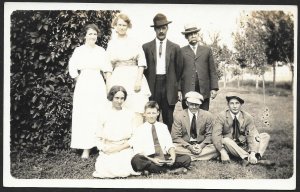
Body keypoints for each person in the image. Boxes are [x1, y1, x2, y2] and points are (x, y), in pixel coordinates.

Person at [68, 24, 112, 159]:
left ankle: (98, 145)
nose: (92, 36)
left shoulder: (101, 51)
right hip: (84, 84)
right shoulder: (79, 51)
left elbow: (107, 69)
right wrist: (79, 80)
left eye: (94, 34)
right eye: (90, 34)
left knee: (98, 113)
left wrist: (108, 86)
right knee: (84, 114)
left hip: (98, 84)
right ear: (85, 36)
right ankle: (85, 148)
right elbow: (72, 68)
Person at [106, 13, 151, 127]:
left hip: (133, 75)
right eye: (119, 25)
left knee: (137, 107)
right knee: (120, 107)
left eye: (124, 25)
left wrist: (138, 80)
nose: (121, 27)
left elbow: (141, 62)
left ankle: (137, 139)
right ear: (115, 26)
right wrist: (109, 84)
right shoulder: (111, 44)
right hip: (119, 76)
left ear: (128, 26)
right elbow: (108, 66)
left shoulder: (134, 42)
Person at [143, 13, 182, 131]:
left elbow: (179, 70)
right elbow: (144, 70)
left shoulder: (175, 48)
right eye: (158, 28)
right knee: (152, 115)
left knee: (168, 118)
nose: (161, 31)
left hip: (169, 85)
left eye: (163, 28)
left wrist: (178, 88)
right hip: (152, 85)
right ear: (154, 29)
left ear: (167, 28)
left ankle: (167, 144)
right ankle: (153, 143)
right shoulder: (146, 47)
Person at [130, 101, 191, 175]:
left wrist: (173, 156)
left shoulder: (163, 127)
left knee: (186, 158)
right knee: (136, 160)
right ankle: (169, 171)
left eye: (153, 113)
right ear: (144, 114)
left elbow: (169, 145)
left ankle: (152, 170)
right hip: (149, 158)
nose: (151, 116)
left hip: (164, 157)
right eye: (149, 113)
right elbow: (138, 152)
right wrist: (153, 160)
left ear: (158, 113)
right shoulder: (139, 129)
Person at [212, 93, 274, 166]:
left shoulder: (247, 117)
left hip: (243, 143)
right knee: (225, 140)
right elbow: (216, 135)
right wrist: (222, 151)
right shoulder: (221, 116)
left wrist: (253, 152)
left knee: (265, 136)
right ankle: (248, 158)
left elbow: (252, 134)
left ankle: (255, 156)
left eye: (237, 103)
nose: (234, 106)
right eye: (232, 103)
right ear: (228, 105)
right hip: (230, 145)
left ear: (241, 104)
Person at [93, 86, 140, 178]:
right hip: (108, 148)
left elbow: (134, 137)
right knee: (105, 169)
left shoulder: (129, 114)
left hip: (124, 148)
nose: (119, 101)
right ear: (111, 97)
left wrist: (119, 148)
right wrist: (104, 148)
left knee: (123, 167)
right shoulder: (103, 113)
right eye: (117, 98)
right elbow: (97, 136)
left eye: (122, 98)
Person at [180, 24, 219, 111]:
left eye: (195, 33)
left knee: (203, 114)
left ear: (198, 35)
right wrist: (178, 90)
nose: (193, 36)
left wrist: (214, 88)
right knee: (187, 114)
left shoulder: (207, 50)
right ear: (186, 37)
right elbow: (178, 72)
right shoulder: (181, 51)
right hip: (187, 88)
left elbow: (212, 70)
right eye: (190, 34)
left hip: (203, 89)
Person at [171, 91, 219, 161]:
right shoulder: (179, 116)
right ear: (187, 103)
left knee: (217, 146)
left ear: (200, 104)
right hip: (185, 145)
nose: (194, 107)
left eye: (196, 105)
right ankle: (202, 156)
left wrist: (201, 146)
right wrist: (189, 147)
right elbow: (175, 137)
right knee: (172, 147)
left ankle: (188, 157)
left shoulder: (207, 115)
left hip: (202, 144)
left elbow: (210, 135)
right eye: (191, 104)